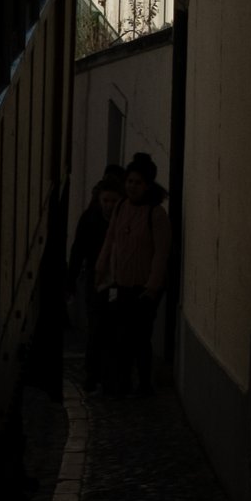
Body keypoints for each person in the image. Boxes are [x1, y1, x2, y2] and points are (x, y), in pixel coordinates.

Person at [92, 153, 171, 391]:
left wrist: (152, 287)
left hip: (143, 287)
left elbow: (161, 253)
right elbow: (110, 240)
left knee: (140, 336)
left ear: (147, 185)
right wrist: (100, 269)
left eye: (138, 182)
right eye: (129, 181)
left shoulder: (156, 214)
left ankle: (144, 383)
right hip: (121, 283)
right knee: (121, 335)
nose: (132, 186)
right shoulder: (121, 207)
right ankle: (122, 382)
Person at [68, 164, 125, 340]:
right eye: (106, 201)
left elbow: (78, 249)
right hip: (100, 275)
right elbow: (78, 249)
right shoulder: (93, 218)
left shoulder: (91, 216)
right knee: (101, 324)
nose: (109, 205)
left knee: (101, 325)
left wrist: (71, 279)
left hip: (109, 276)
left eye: (113, 201)